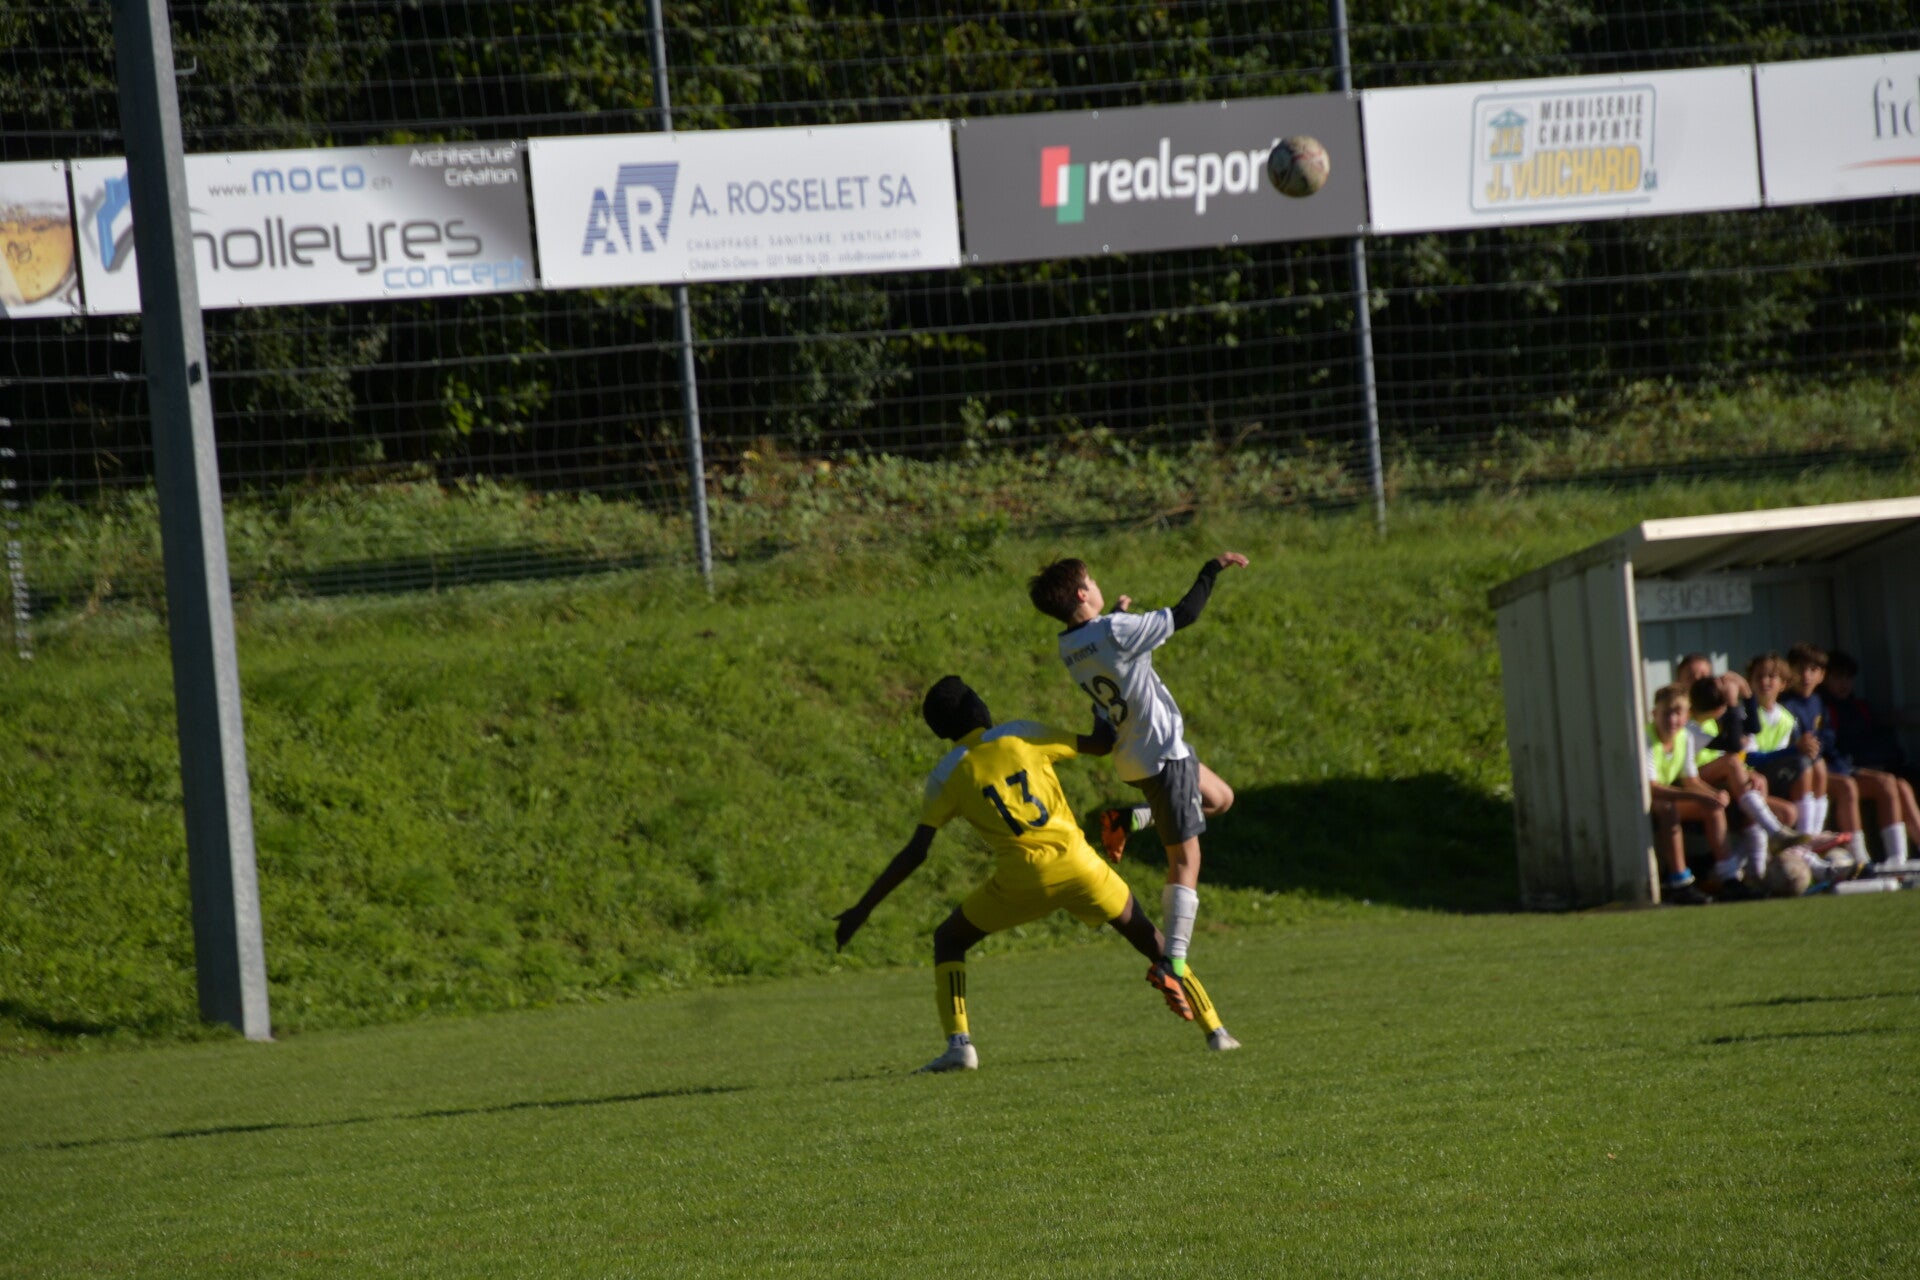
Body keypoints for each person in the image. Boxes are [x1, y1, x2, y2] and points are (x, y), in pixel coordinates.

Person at [833, 676, 1241, 1073]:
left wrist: (862, 909)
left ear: (941, 730)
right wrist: (1102, 703)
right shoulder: (1020, 734)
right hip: (1080, 866)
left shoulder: (945, 775)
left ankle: (959, 1046)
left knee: (949, 939)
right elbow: (1101, 743)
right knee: (1155, 942)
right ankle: (1216, 1031)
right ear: (978, 708)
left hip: (1022, 880)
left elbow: (916, 852)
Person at [1027, 552, 1247, 983]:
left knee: (1220, 799)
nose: (1096, 583)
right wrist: (1211, 568)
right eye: (1091, 579)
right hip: (1162, 753)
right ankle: (1172, 961)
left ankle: (1128, 819)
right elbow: (1185, 614)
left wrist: (1117, 616)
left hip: (1133, 755)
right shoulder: (1115, 630)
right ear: (1082, 593)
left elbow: (1107, 652)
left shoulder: (1070, 646)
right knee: (1186, 859)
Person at [1683, 676, 1814, 895]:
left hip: (1720, 784)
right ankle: (1769, 839)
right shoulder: (1690, 726)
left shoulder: (1711, 719)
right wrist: (1733, 703)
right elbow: (1734, 745)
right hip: (1693, 786)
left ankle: (1756, 873)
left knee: (1785, 810)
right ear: (1720, 707)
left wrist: (1747, 693)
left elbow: (1753, 728)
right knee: (1732, 762)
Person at [1782, 643, 1878, 876]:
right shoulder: (1785, 704)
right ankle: (1810, 842)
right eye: (1800, 669)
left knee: (1882, 783)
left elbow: (1826, 738)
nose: (1806, 676)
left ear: (1821, 675)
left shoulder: (1818, 702)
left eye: (1812, 670)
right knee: (1844, 784)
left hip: (1818, 767)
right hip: (1791, 771)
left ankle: (1861, 857)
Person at [1819, 649, 1917, 871]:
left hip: (1862, 767)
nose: (1844, 684)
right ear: (1826, 678)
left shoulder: (1859, 707)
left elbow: (1874, 741)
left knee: (1901, 785)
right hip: (1841, 771)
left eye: (1848, 678)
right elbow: (1833, 751)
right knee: (1885, 783)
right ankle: (1876, 860)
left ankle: (1903, 857)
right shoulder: (1825, 709)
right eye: (1837, 677)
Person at [1646, 683, 1721, 905]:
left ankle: (1727, 874)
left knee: (1714, 805)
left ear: (1687, 716)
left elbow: (1691, 780)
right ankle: (1680, 882)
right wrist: (1697, 796)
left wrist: (1714, 794)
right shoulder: (1646, 738)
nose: (1672, 719)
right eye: (1666, 713)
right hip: (1646, 801)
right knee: (1667, 808)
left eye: (1678, 713)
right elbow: (1651, 787)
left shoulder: (1685, 737)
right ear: (1654, 714)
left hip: (1665, 797)